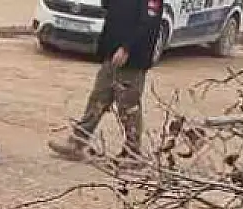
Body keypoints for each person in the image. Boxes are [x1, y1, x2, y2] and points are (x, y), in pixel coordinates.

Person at [47, 0, 163, 163]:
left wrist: (126, 48)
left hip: (132, 59)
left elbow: (149, 23)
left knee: (128, 106)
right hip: (112, 54)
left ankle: (133, 153)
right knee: (98, 97)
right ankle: (77, 142)